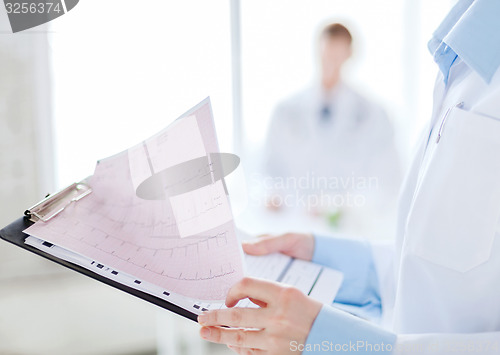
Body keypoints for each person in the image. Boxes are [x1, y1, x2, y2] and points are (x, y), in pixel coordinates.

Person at [198, 0, 500, 353]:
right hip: (301, 234)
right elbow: (429, 272)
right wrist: (325, 253)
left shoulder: (374, 114)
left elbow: (385, 186)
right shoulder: (460, 65)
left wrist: (339, 343)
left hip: (350, 223)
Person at [264, 23, 401, 225]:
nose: (331, 63)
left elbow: (387, 181)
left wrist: (338, 206)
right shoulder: (286, 111)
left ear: (349, 55)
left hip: (348, 229)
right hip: (293, 222)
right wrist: (279, 196)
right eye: (327, 54)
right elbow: (267, 171)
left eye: (338, 55)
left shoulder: (373, 115)